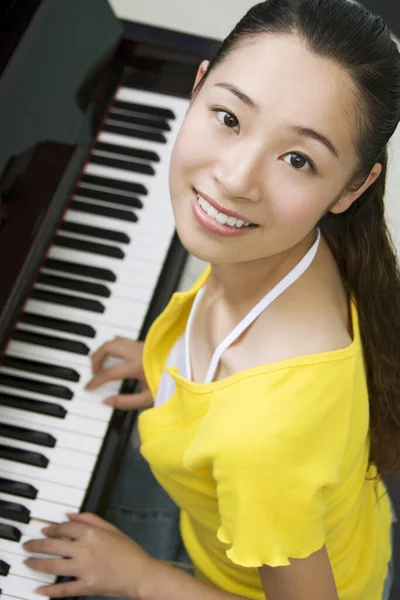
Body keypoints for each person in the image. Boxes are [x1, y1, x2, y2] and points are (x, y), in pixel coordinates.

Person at [23, 0, 400, 598]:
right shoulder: (286, 250)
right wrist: (170, 368)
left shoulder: (266, 436)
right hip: (292, 519)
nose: (235, 178)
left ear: (354, 186)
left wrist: (142, 577)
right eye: (229, 117)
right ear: (197, 87)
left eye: (298, 159)